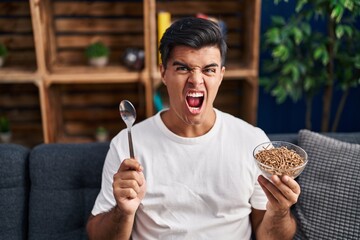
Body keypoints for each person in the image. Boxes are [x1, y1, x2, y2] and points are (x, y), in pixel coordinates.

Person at [86, 17, 300, 240]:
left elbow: (269, 236)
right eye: (182, 68)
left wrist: (279, 211)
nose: (196, 80)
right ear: (163, 73)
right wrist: (123, 211)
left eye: (208, 70)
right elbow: (97, 235)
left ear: (220, 76)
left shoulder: (253, 142)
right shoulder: (127, 144)